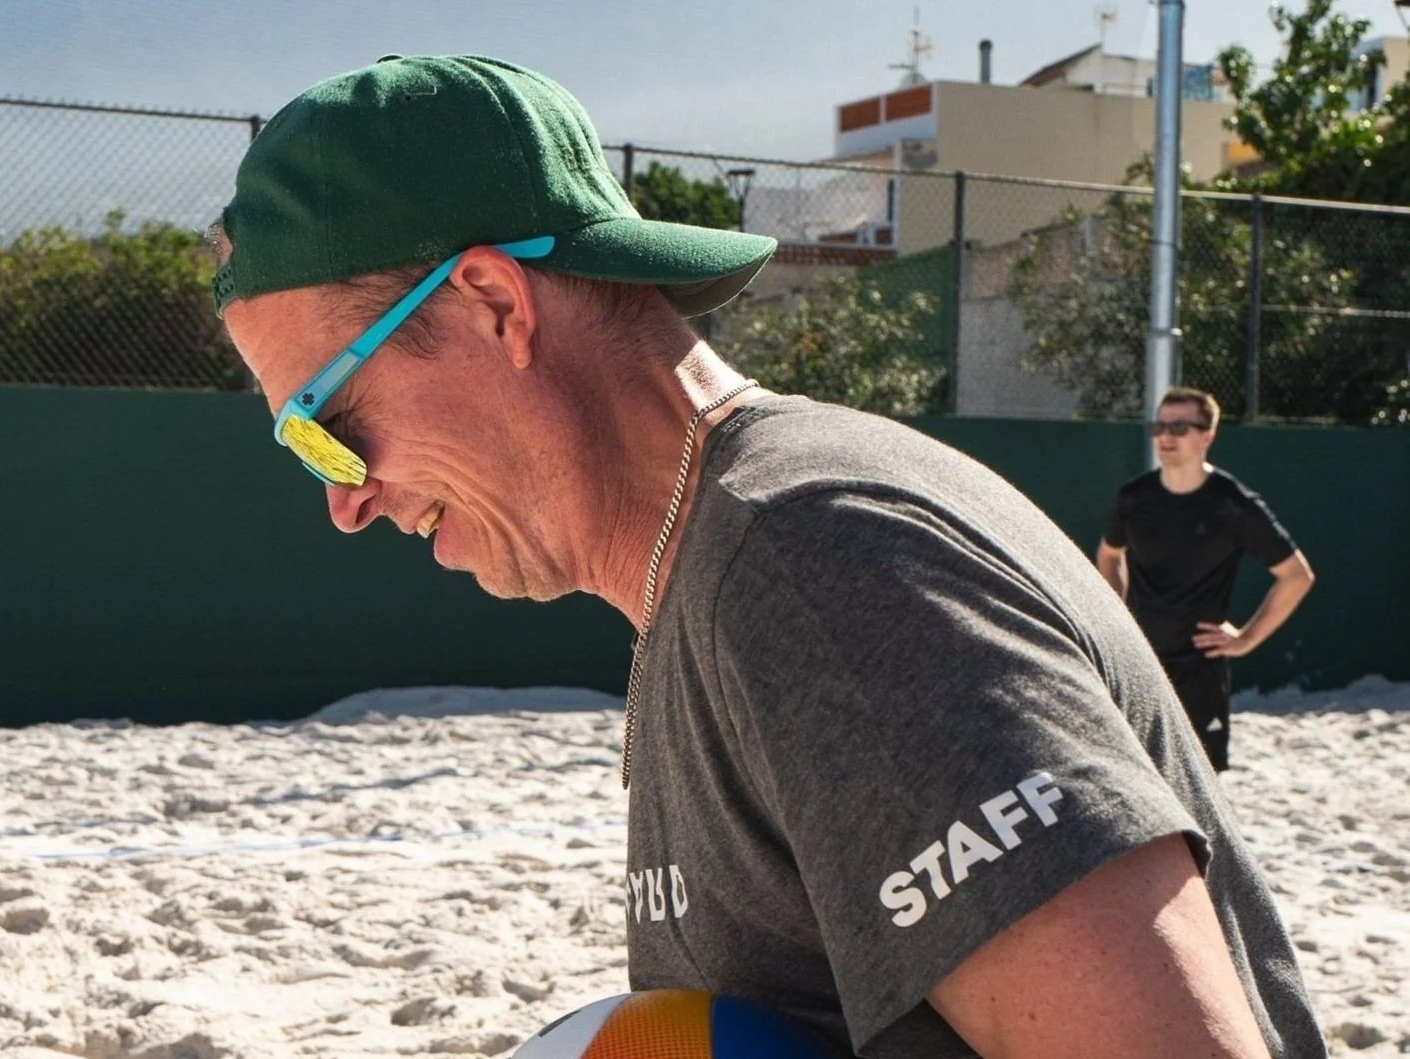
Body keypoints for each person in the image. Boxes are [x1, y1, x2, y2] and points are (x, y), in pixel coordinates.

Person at [210, 55, 1325, 1059]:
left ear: (493, 303)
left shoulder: (816, 564)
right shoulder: (729, 556)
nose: (342, 502)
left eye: (326, 425)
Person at [1096, 387, 1316, 772]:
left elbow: (1296, 576)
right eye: (1159, 426)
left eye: (1180, 427)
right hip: (1139, 662)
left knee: (1197, 784)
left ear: (1207, 436)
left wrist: (1246, 639)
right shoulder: (1133, 498)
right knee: (1135, 777)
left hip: (1200, 669)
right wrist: (1115, 614)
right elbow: (1110, 554)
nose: (1166, 436)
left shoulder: (1234, 504)